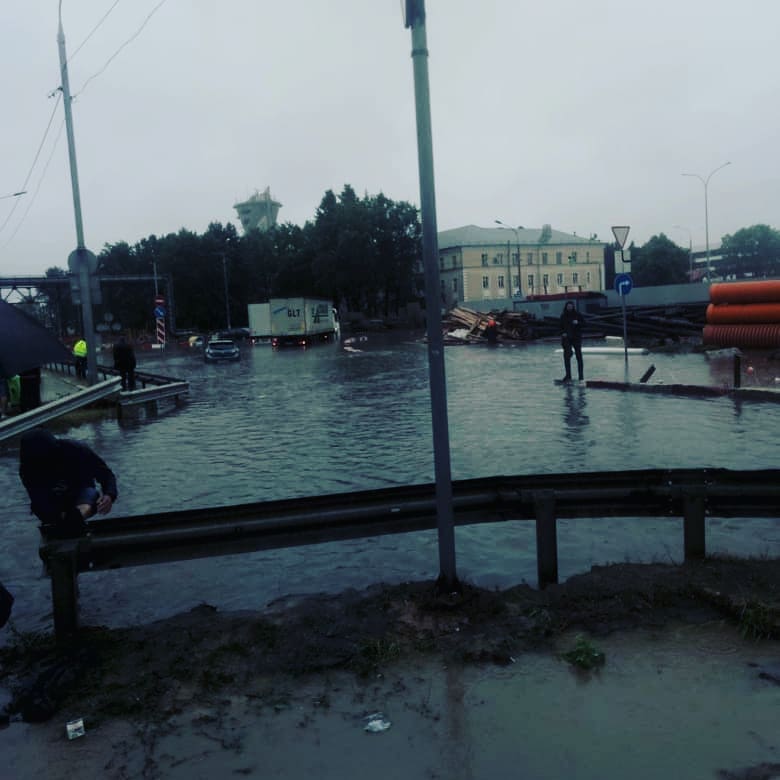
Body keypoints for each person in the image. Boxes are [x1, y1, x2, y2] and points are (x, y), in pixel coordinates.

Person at [19, 428, 118, 539]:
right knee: (44, 509)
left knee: (89, 495)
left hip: (82, 492)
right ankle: (63, 523)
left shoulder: (77, 449)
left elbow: (105, 474)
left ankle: (77, 517)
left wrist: (109, 495)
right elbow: (38, 497)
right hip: (51, 499)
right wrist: (57, 516)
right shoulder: (27, 467)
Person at [559, 300, 585, 382]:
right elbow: (559, 327)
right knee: (567, 357)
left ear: (573, 307)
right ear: (566, 307)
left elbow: (584, 324)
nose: (569, 307)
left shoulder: (578, 315)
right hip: (567, 338)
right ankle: (568, 375)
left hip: (576, 338)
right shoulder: (563, 316)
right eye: (568, 306)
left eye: (571, 306)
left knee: (579, 357)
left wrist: (578, 323)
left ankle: (581, 376)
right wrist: (562, 333)